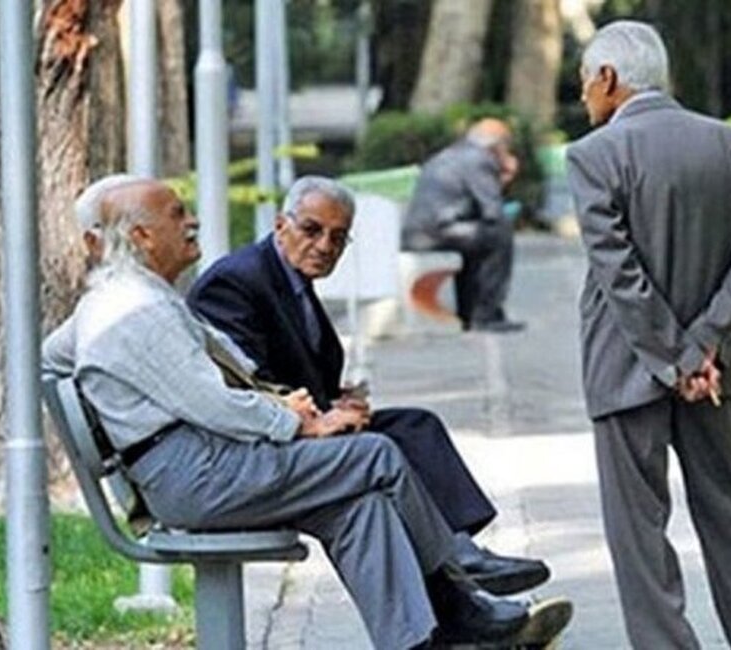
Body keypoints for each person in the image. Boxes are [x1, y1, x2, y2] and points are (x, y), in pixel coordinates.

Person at [43, 177, 554, 649]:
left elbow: (48, 356)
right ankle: (459, 574)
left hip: (202, 465)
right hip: (197, 476)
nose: (192, 221)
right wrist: (302, 423)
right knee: (376, 455)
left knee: (361, 506)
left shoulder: (124, 299)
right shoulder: (135, 311)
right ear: (142, 236)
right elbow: (212, 402)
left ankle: (421, 640)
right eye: (178, 214)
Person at [187, 176, 555, 597]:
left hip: (305, 423)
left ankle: (459, 555)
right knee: (382, 458)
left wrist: (340, 402)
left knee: (415, 427)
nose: (324, 246)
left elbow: (296, 366)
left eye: (338, 238)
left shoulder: (290, 279)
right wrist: (323, 416)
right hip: (258, 445)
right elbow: (244, 381)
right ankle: (457, 573)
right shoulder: (237, 281)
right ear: (280, 225)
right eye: (312, 230)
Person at [566, 21, 731, 649]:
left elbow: (617, 270)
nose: (583, 95)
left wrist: (675, 357)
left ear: (608, 78)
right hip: (715, 371)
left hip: (626, 366)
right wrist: (705, 344)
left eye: (585, 82)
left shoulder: (594, 155)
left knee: (638, 531)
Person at [403, 118, 524, 333]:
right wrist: (506, 176)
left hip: (420, 233)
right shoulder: (480, 160)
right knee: (499, 232)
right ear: (499, 146)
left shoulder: (449, 154)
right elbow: (493, 210)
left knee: (479, 239)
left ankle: (468, 313)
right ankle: (486, 315)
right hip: (441, 232)